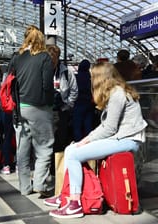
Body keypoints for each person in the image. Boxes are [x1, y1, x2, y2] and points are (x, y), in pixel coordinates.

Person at [45, 62, 147, 219]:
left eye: (93, 76)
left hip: (127, 140)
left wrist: (87, 140)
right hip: (122, 138)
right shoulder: (117, 92)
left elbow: (109, 129)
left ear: (101, 78)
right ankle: (66, 195)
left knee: (74, 154)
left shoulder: (117, 94)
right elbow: (108, 127)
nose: (91, 79)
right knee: (70, 149)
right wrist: (86, 140)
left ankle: (74, 204)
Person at [8, 25, 54, 198]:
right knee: (44, 147)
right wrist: (51, 102)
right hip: (39, 107)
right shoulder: (44, 57)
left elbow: (10, 83)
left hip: (19, 109)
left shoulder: (16, 58)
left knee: (23, 149)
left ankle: (25, 187)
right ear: (40, 40)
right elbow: (47, 85)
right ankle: (41, 183)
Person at [46, 45, 78, 174]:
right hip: (45, 111)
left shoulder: (65, 72)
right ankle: (45, 168)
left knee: (59, 140)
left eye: (54, 59)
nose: (52, 62)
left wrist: (68, 105)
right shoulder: (41, 71)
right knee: (46, 141)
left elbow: (74, 90)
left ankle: (56, 168)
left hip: (61, 111)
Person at [72, 59, 95, 142]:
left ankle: (78, 141)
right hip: (89, 103)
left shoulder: (75, 77)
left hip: (78, 102)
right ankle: (89, 141)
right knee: (88, 124)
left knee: (77, 125)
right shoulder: (91, 78)